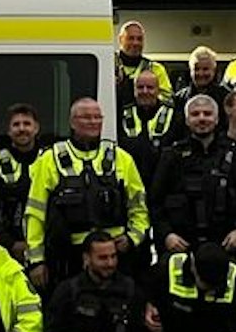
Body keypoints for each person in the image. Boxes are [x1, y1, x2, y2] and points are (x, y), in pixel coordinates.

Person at [23, 97, 150, 292]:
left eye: (97, 117)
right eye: (86, 117)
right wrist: (36, 260)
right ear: (72, 122)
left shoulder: (121, 158)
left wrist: (133, 238)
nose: (93, 122)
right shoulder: (49, 160)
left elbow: (139, 206)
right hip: (67, 258)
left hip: (114, 256)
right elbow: (35, 214)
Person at [149, 94, 236, 260]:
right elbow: (155, 203)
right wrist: (167, 235)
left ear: (217, 119)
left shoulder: (234, 156)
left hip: (225, 246)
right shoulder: (171, 157)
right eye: (195, 114)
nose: (202, 118)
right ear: (187, 120)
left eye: (207, 114)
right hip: (182, 247)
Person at [0, 104, 46, 266]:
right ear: (8, 130)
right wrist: (11, 243)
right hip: (5, 248)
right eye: (16, 124)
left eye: (27, 124)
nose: (21, 129)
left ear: (36, 128)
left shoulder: (49, 160)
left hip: (46, 248)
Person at [118, 69, 177, 177]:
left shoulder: (174, 115)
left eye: (150, 87)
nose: (145, 91)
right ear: (134, 90)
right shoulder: (122, 114)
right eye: (140, 87)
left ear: (158, 90)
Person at [114, 20, 173, 102]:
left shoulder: (155, 69)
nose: (135, 43)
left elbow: (167, 99)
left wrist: (149, 96)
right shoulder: (107, 65)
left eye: (139, 39)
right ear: (120, 39)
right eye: (131, 38)